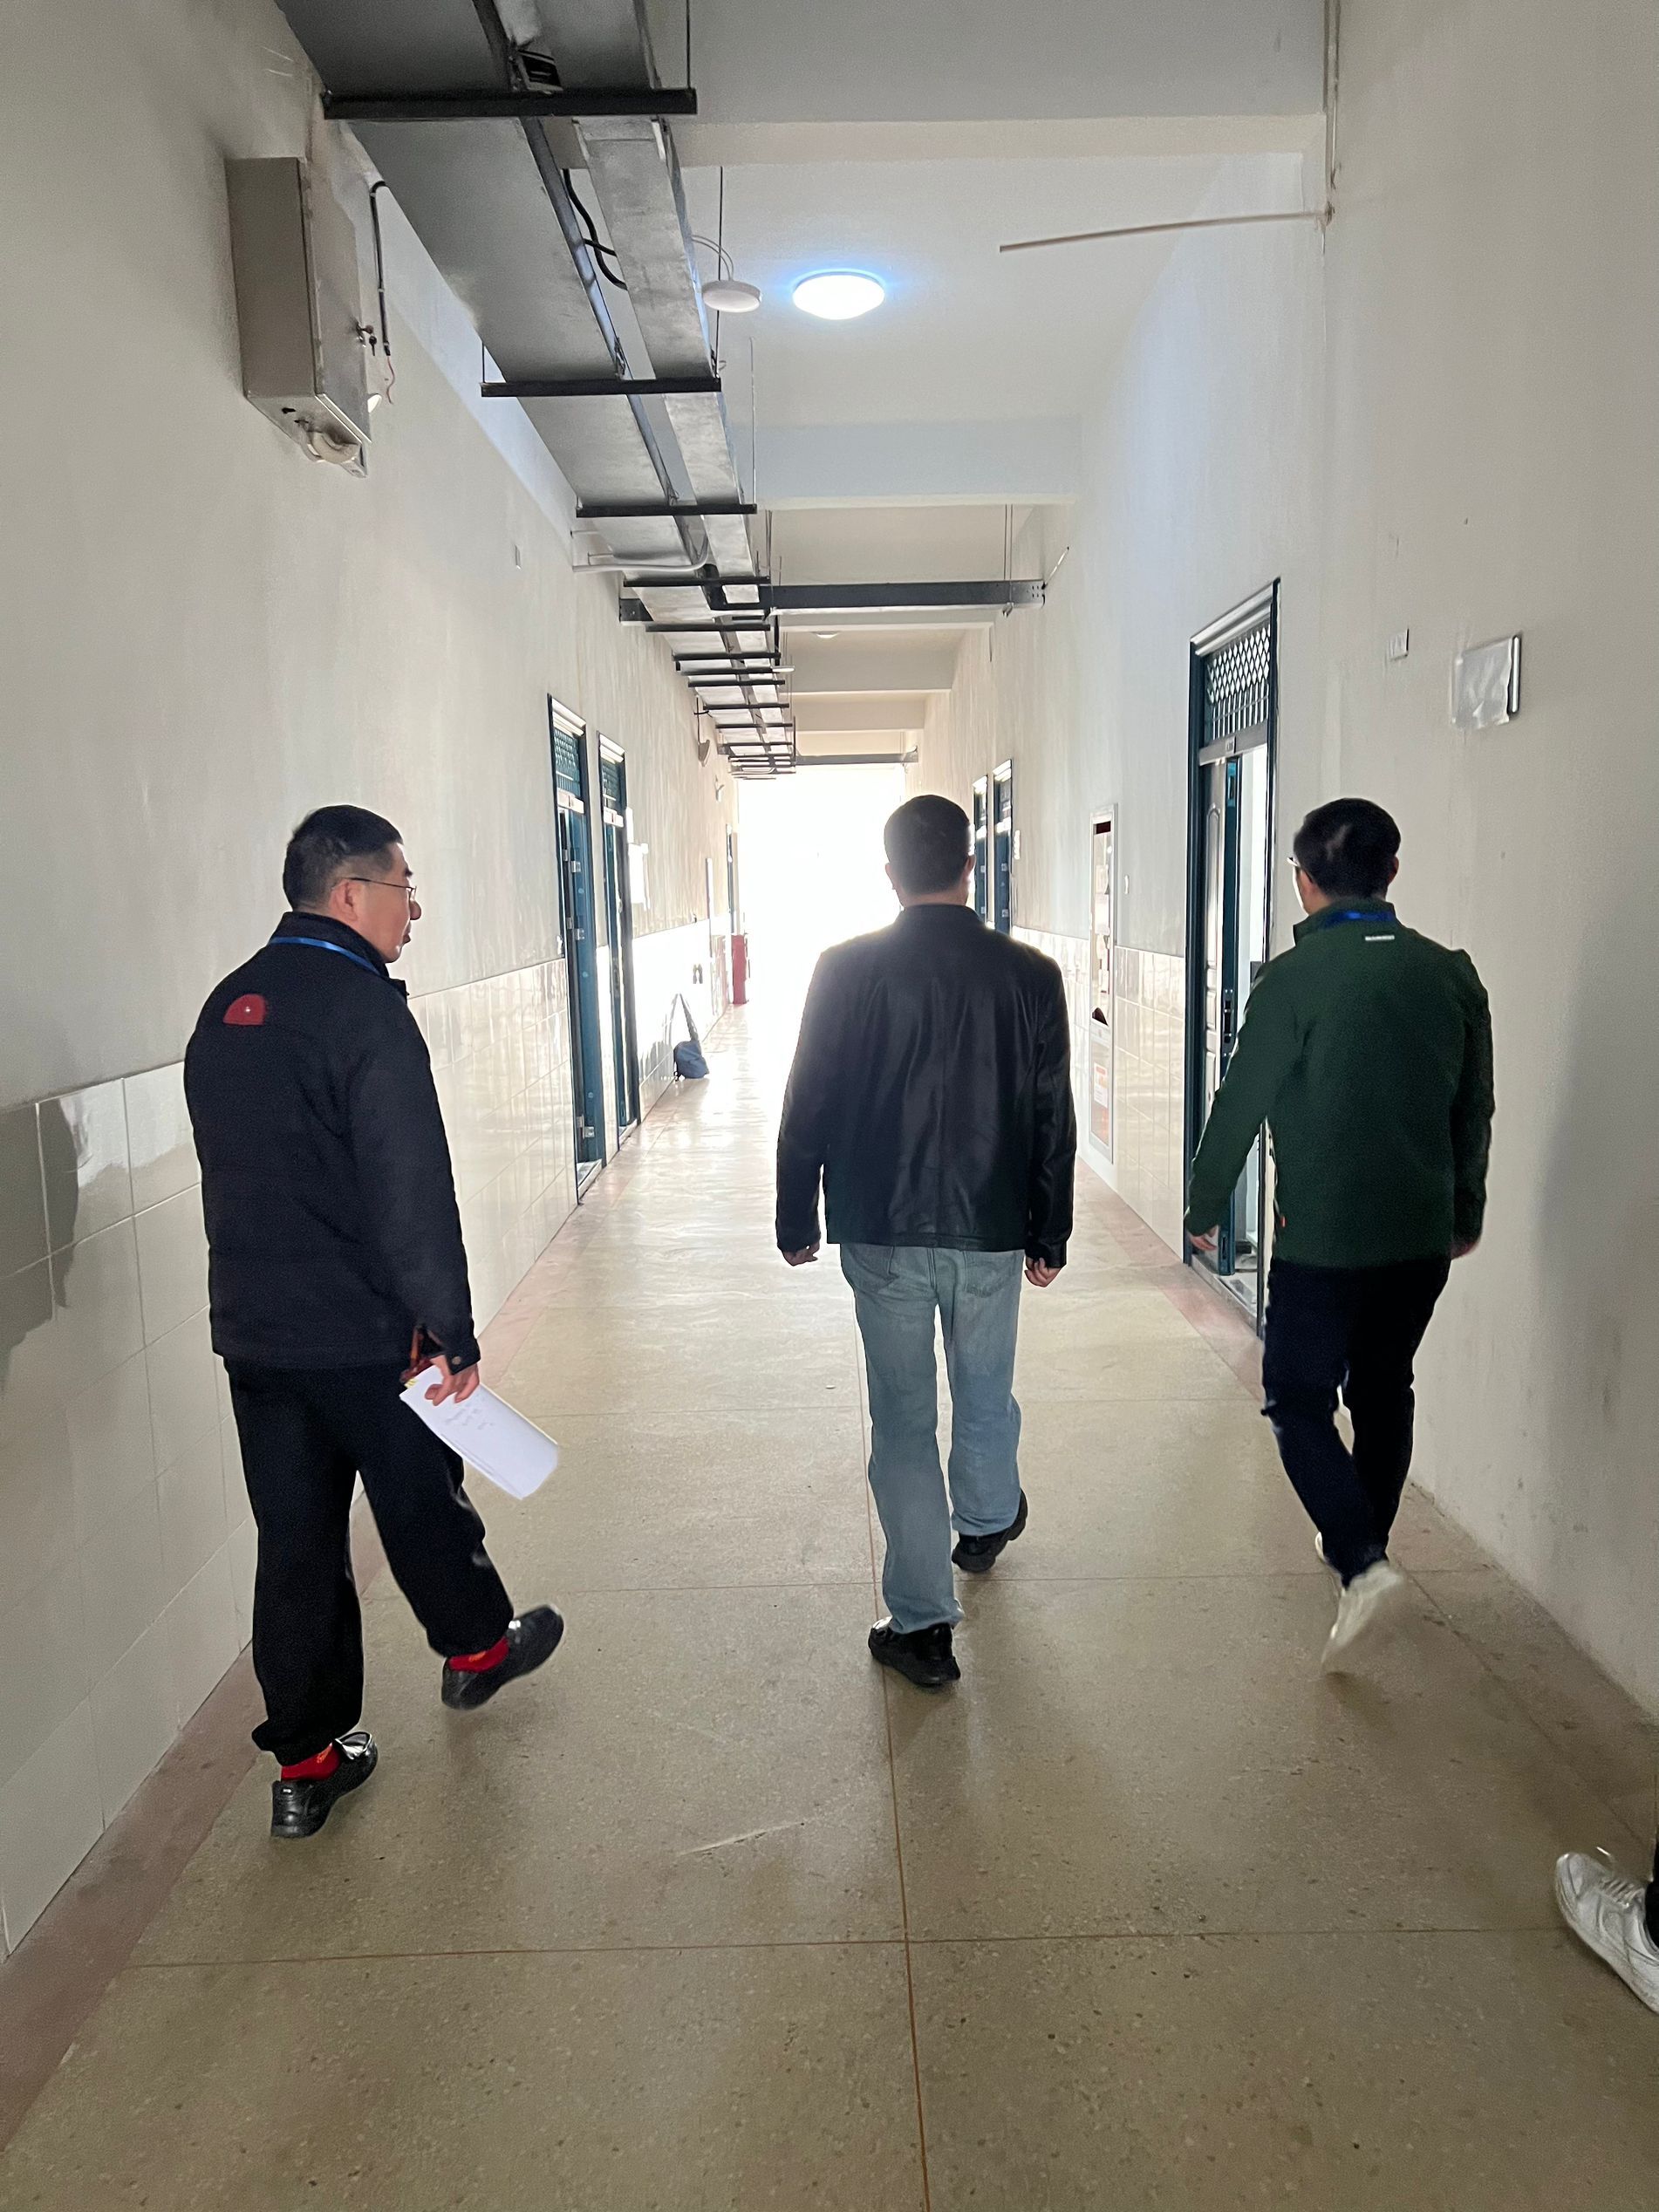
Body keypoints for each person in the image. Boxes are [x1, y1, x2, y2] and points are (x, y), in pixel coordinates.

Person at [185, 807, 563, 1840]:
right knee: (419, 1498)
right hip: (362, 1333)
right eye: (405, 890)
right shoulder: (363, 1012)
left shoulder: (227, 1008)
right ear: (351, 894)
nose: (414, 912)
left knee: (294, 1542)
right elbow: (411, 1189)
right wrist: (449, 1327)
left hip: (256, 1337)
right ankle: (478, 1648)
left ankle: (305, 1765)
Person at [775, 795, 1076, 1690]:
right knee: (985, 1387)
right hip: (991, 1225)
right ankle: (983, 1523)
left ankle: (923, 1625)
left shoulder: (844, 969)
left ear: (890, 874)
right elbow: (1050, 1114)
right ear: (970, 867)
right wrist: (1050, 1227)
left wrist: (797, 1214)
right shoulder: (1029, 975)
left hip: (882, 1227)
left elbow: (808, 1098)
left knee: (903, 1419)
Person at [1185, 797, 1493, 1669]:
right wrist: (1465, 1211)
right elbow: (1474, 1109)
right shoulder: (1450, 975)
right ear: (1391, 872)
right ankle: (1364, 1543)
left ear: (1303, 880)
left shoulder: (1292, 980)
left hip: (1321, 1241)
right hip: (1420, 1237)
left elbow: (1238, 1105)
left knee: (1296, 1398)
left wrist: (1205, 1208)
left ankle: (1362, 1561)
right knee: (1385, 1386)